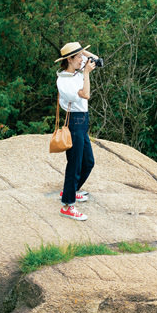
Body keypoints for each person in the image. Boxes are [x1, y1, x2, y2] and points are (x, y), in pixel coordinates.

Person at [55, 41, 99, 220]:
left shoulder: (76, 70)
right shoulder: (64, 81)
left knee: (88, 162)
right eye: (79, 56)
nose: (83, 59)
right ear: (70, 60)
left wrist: (84, 52)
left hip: (83, 120)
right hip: (74, 121)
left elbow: (98, 60)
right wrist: (86, 73)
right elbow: (86, 95)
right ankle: (67, 205)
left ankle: (70, 190)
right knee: (74, 164)